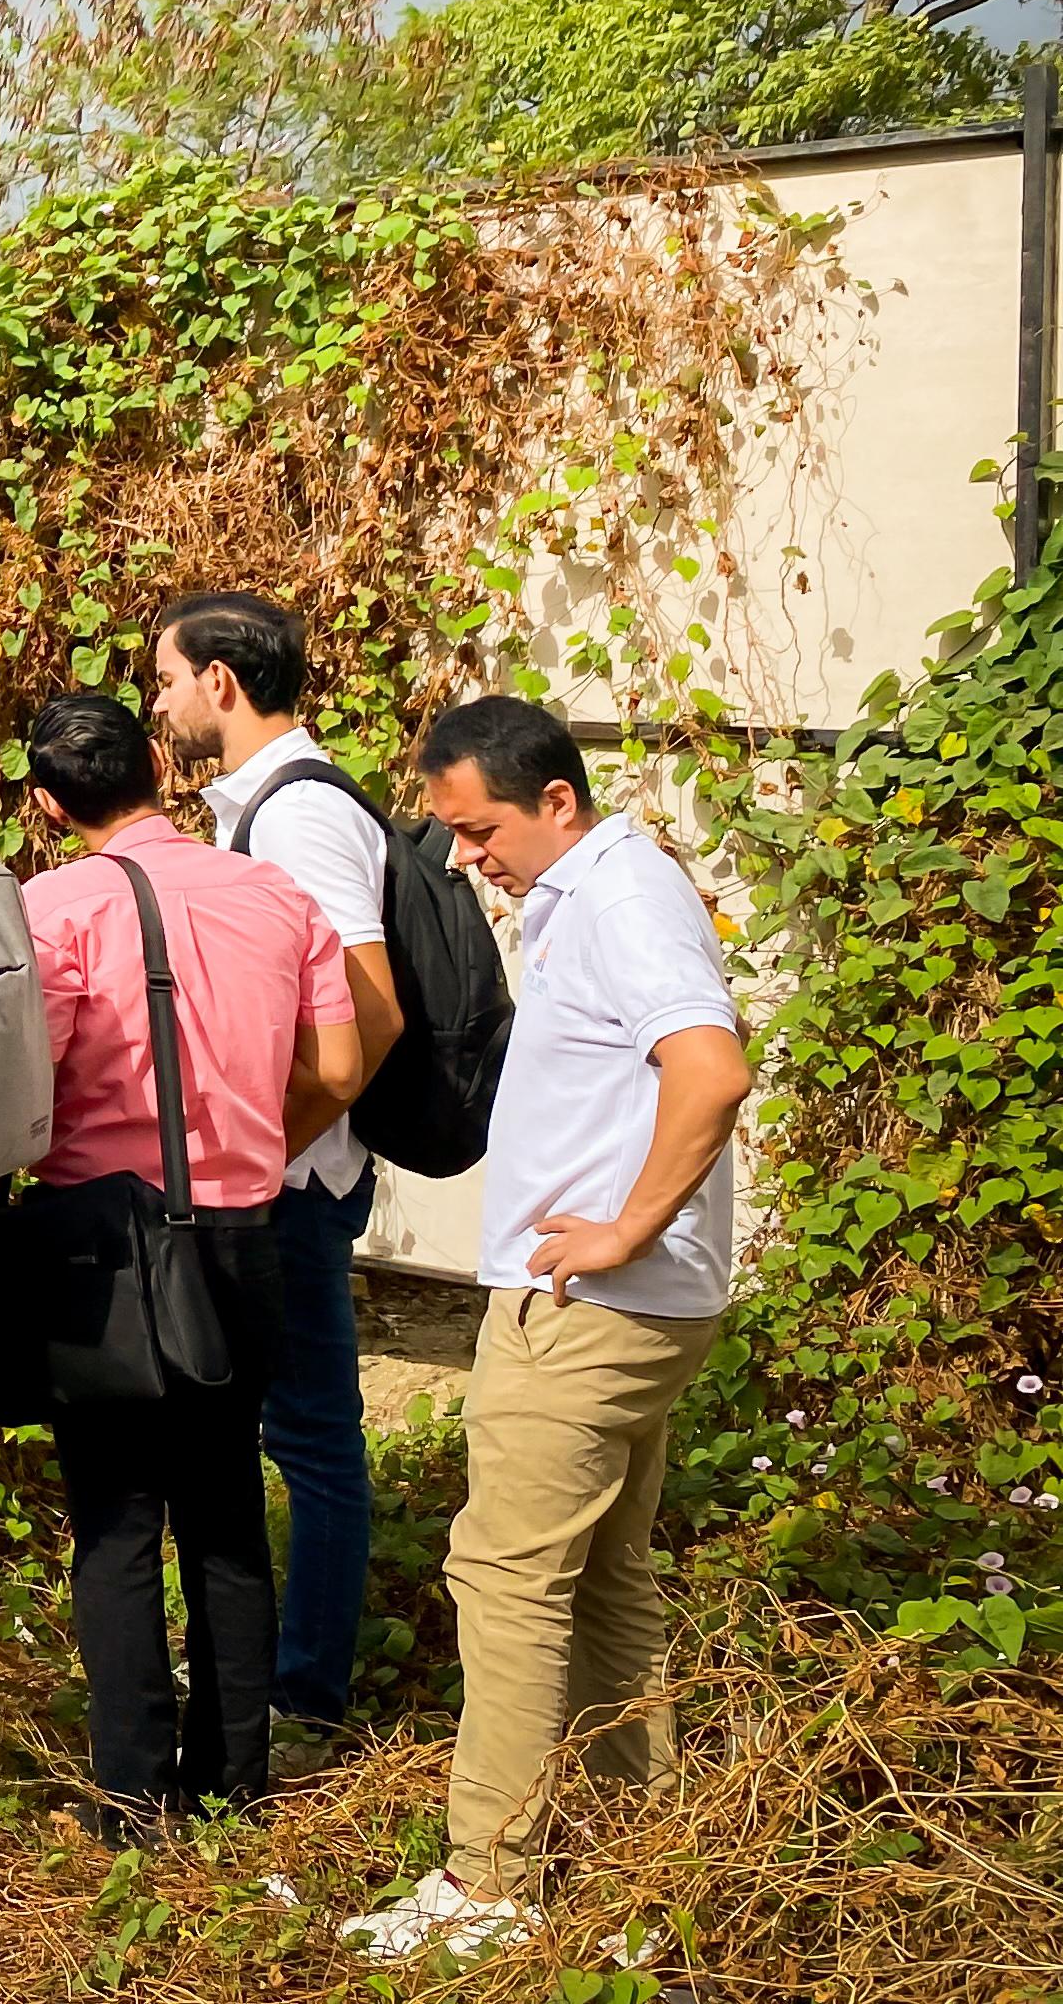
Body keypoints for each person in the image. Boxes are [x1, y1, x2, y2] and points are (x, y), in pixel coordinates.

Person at [343, 697, 752, 1962]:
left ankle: (489, 1883)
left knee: (506, 1582)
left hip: (589, 1310)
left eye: (479, 830)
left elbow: (712, 1068)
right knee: (607, 1577)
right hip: (623, 1307)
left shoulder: (622, 904)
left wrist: (624, 1230)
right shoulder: (601, 891)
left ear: (556, 803)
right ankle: (642, 1852)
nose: (467, 859)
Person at [15, 689, 363, 1825]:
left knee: (115, 1520)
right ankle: (235, 1778)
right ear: (161, 771)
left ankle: (129, 1791)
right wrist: (254, 1145)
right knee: (224, 1505)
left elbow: (29, 1089)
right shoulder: (273, 892)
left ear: (45, 803)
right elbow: (345, 1067)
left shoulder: (50, 908)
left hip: (99, 1249)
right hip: (243, 1231)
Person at [147, 591, 408, 1745]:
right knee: (285, 1428)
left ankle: (307, 1692)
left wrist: (260, 1155)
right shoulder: (261, 806)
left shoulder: (297, 818)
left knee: (312, 1439)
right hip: (288, 1175)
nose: (158, 703)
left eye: (165, 680)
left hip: (293, 1186)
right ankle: (287, 1673)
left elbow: (374, 1018)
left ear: (220, 683)